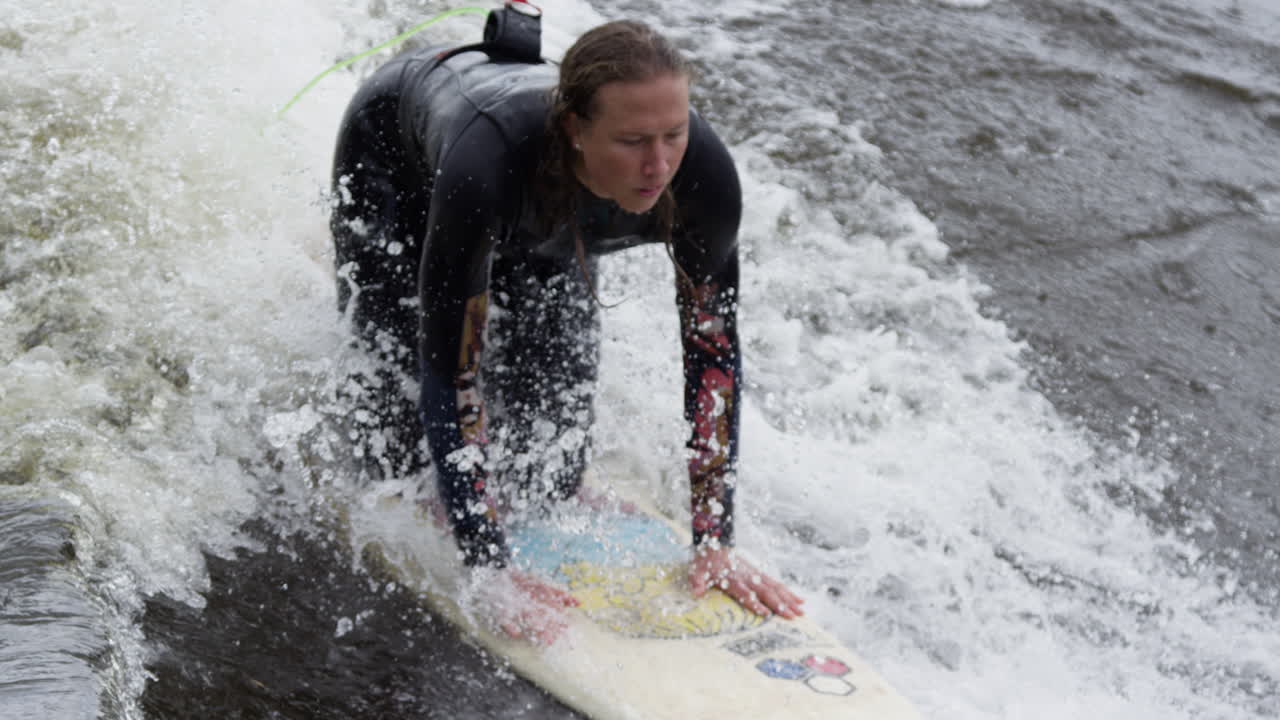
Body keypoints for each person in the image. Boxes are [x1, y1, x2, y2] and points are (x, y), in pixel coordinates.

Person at [329, 16, 803, 643]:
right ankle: (434, 491)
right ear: (577, 129)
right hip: (399, 164)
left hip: (544, 202)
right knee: (400, 453)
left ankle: (517, 486)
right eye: (633, 140)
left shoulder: (703, 181)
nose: (659, 165)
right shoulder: (485, 167)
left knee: (550, 472)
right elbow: (453, 370)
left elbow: (712, 356)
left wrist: (714, 540)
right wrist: (487, 566)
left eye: (674, 134)